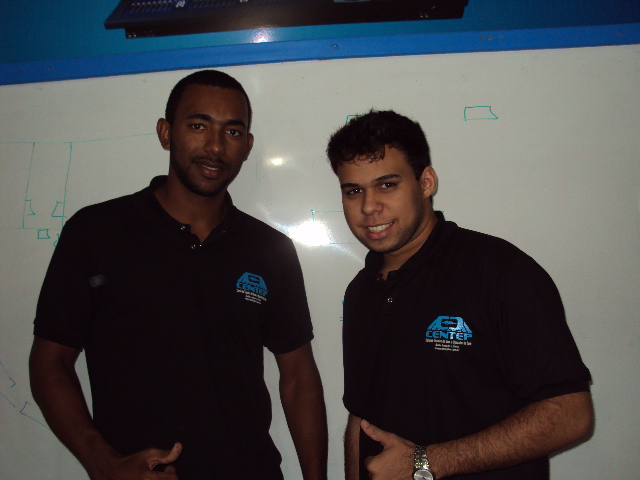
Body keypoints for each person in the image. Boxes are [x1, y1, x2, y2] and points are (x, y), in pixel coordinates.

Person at [29, 70, 328, 480]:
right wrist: (103, 464)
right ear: (166, 132)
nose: (215, 147)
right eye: (199, 126)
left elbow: (298, 377)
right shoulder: (97, 233)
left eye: (232, 132)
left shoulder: (270, 249)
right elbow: (50, 362)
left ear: (247, 146)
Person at [326, 110, 593, 480]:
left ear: (426, 182)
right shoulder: (360, 293)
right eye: (354, 191)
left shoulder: (501, 272)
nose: (369, 206)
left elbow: (570, 414)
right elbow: (361, 417)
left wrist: (424, 463)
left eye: (386, 185)